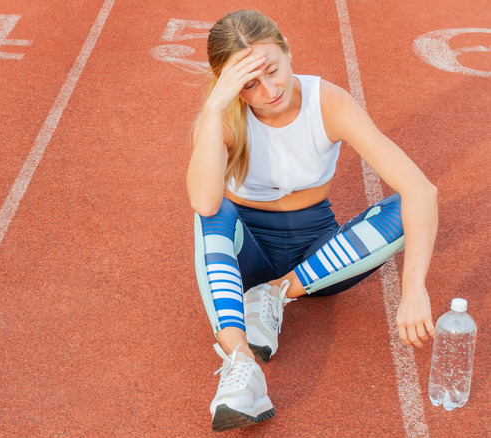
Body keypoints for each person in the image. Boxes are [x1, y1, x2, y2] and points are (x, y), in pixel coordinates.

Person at [187, 10, 438, 432]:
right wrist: (214, 106)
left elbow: (421, 191)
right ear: (229, 86)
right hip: (248, 248)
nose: (269, 91)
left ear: (287, 50)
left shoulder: (330, 103)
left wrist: (414, 289)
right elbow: (204, 199)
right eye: (249, 84)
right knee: (212, 213)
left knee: (404, 210)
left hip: (318, 259)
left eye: (272, 70)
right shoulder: (224, 117)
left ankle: (276, 293)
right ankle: (242, 365)